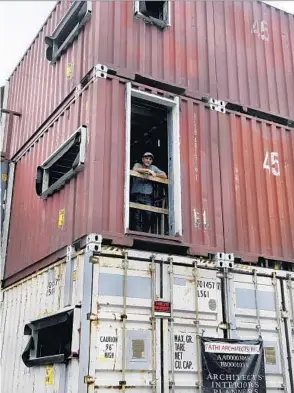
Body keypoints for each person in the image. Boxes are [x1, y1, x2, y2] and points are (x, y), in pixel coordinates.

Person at [130, 152, 167, 233]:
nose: (148, 160)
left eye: (150, 159)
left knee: (148, 214)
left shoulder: (153, 167)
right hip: (136, 195)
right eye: (146, 158)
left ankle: (144, 232)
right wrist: (147, 170)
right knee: (135, 215)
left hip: (147, 196)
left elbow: (164, 175)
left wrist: (155, 174)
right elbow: (134, 170)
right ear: (142, 159)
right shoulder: (138, 165)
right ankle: (137, 233)